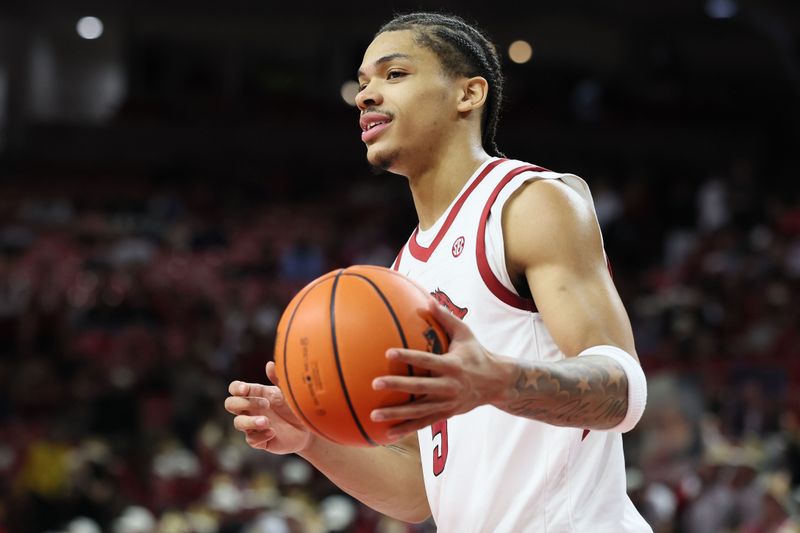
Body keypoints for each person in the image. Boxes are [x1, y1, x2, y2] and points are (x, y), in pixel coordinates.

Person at [225, 11, 651, 532]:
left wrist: (499, 382)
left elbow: (623, 390)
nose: (365, 96)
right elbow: (415, 493)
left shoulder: (528, 203)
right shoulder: (402, 275)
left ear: (468, 95)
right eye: (362, 83)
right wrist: (312, 439)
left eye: (394, 74)